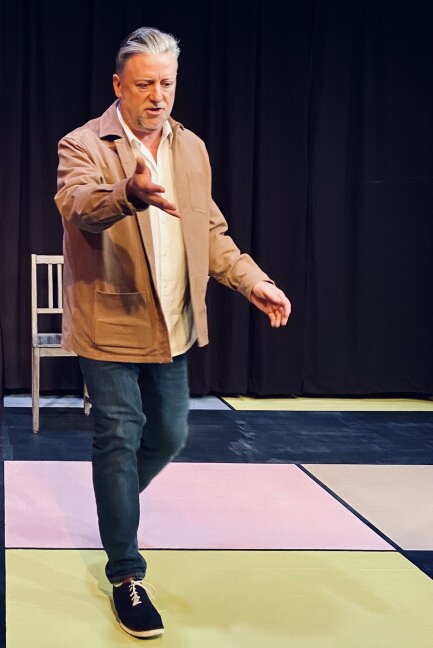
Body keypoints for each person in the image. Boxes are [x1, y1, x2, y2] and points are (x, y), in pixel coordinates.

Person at [54, 26, 291, 639]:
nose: (158, 96)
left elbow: (210, 234)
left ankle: (117, 498)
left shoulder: (192, 149)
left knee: (172, 433)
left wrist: (253, 281)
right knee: (118, 435)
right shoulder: (84, 143)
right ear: (118, 86)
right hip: (108, 321)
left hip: (174, 324)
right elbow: (78, 205)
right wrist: (129, 191)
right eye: (145, 84)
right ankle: (126, 573)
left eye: (167, 84)